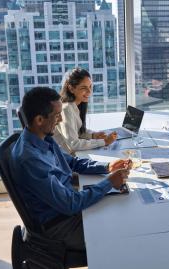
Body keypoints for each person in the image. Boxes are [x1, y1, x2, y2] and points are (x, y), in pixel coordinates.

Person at [10, 86, 132, 251]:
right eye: (57, 115)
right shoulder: (30, 160)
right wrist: (108, 183)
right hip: (59, 226)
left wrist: (106, 167)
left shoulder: (42, 136)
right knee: (123, 229)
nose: (60, 120)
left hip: (66, 205)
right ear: (39, 119)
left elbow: (72, 162)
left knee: (121, 209)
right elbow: (70, 203)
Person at [54, 68, 117, 154]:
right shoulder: (66, 109)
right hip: (67, 160)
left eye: (90, 86)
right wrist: (104, 142)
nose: (89, 91)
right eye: (84, 88)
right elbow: (74, 144)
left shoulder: (74, 106)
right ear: (71, 88)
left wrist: (93, 135)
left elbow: (77, 132)